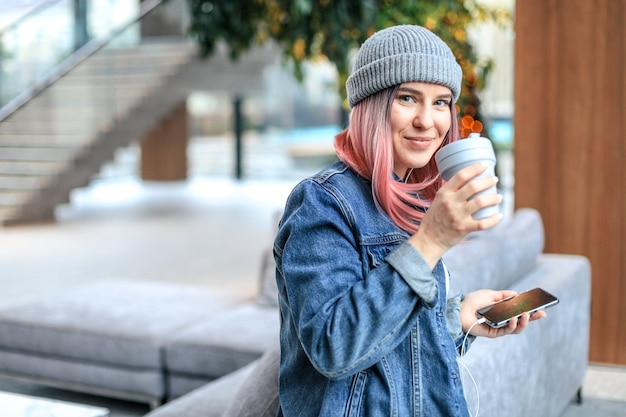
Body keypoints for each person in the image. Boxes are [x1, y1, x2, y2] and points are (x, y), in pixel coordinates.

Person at [273, 25, 545, 416]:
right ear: (371, 104)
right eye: (407, 98)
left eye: (440, 103)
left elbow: (393, 350)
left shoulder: (411, 198)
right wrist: (431, 241)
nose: (427, 121)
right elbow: (333, 349)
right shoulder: (322, 202)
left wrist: (458, 318)